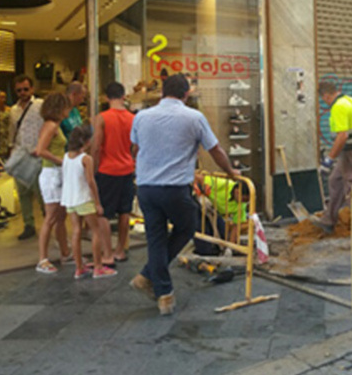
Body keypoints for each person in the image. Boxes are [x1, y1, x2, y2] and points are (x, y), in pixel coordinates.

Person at [129, 73, 238, 316]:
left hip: (146, 188)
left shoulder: (142, 117)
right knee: (188, 226)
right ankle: (148, 277)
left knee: (156, 239)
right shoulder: (194, 117)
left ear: (162, 92)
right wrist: (230, 171)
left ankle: (164, 294)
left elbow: (135, 149)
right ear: (186, 94)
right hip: (175, 188)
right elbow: (215, 149)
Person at [310, 81, 352, 249]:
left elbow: (342, 136)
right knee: (335, 180)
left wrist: (329, 159)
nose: (324, 102)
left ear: (326, 96)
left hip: (350, 155)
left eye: (323, 99)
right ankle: (328, 220)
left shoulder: (338, 107)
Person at [62, 124, 117, 280]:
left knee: (76, 231)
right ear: (86, 141)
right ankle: (98, 267)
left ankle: (79, 267)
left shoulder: (66, 157)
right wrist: (97, 203)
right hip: (84, 198)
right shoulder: (86, 159)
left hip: (70, 199)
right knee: (96, 231)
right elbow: (91, 182)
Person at [91, 81, 136, 266]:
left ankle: (107, 254)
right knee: (124, 211)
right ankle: (120, 250)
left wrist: (93, 169)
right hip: (127, 169)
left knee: (103, 213)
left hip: (107, 169)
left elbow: (96, 146)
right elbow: (136, 146)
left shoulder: (102, 118)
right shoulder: (133, 118)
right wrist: (131, 159)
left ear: (106, 97)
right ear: (123, 96)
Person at [33, 92, 72, 274]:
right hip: (52, 173)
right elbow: (40, 150)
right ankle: (42, 259)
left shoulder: (53, 125)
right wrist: (61, 161)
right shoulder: (51, 126)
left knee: (60, 216)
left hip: (56, 173)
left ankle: (65, 252)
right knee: (51, 217)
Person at [8, 74, 45, 240]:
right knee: (23, 192)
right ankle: (28, 224)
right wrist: (11, 149)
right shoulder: (13, 110)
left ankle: (48, 220)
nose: (22, 93)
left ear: (32, 89)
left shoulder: (40, 105)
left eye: (25, 89)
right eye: (19, 90)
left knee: (40, 191)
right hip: (20, 153)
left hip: (37, 153)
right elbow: (12, 131)